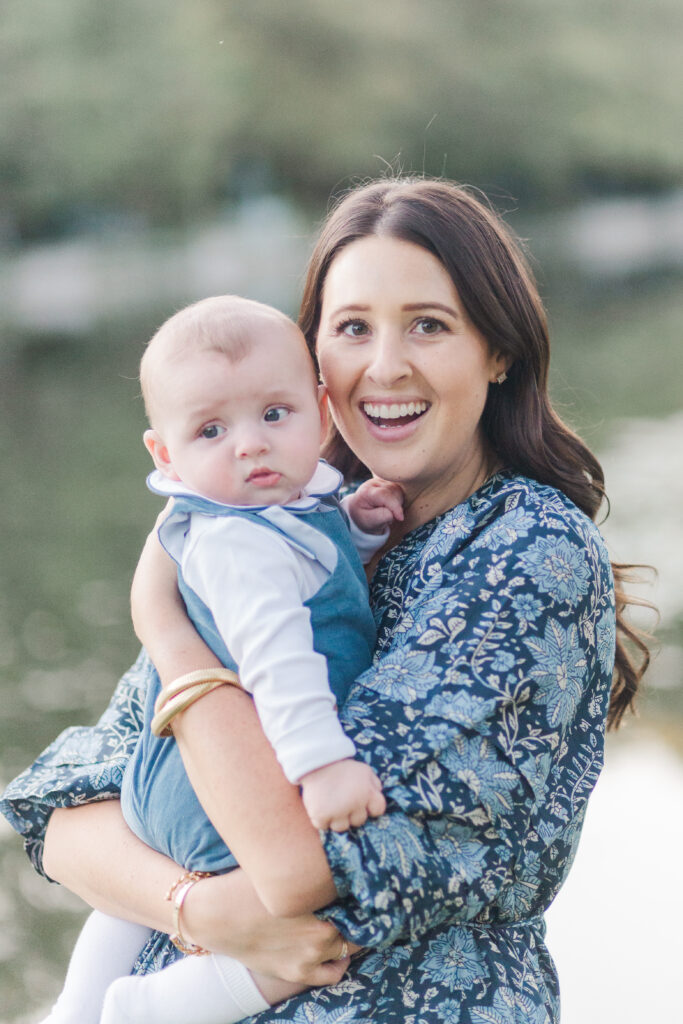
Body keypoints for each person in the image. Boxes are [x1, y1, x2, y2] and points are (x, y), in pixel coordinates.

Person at [1, 178, 649, 1024]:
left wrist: (164, 623)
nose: (384, 366)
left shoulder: (523, 549)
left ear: (498, 352)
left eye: (428, 324)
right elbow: (69, 813)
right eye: (352, 329)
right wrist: (192, 909)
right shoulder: (277, 520)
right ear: (315, 363)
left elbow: (296, 863)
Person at [38, 294, 399, 1024]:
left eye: (274, 414)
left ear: (320, 412)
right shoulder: (235, 543)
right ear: (164, 454)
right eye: (211, 429)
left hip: (167, 779)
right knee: (304, 937)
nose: (250, 445)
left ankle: (75, 1009)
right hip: (224, 793)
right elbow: (279, 662)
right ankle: (148, 1008)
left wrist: (354, 533)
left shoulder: (281, 508)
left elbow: (310, 573)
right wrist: (322, 765)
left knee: (132, 904)